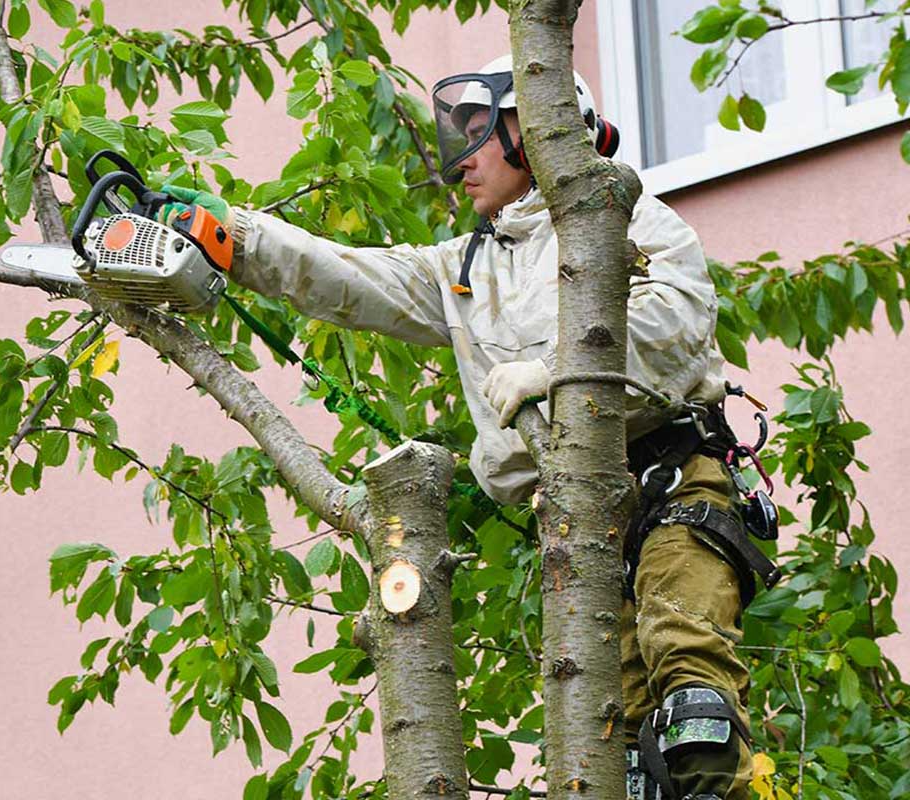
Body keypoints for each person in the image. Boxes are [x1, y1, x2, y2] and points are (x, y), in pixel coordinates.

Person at [158, 55, 772, 800]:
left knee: (691, 700)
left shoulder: (625, 214)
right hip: (575, 525)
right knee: (621, 749)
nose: (462, 162)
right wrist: (234, 237)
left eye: (480, 132)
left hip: (670, 480)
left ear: (535, 132)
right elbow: (350, 276)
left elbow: (673, 323)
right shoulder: (468, 266)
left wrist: (555, 370)